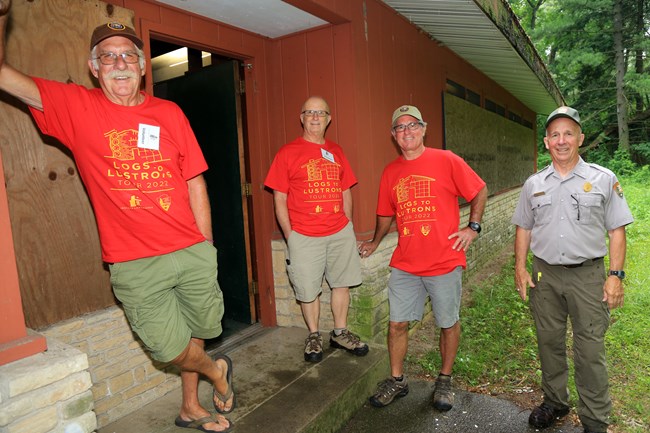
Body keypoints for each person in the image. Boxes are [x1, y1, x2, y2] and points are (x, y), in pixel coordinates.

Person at [0, 4, 234, 432]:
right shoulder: (74, 106)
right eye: (108, 56)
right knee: (169, 347)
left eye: (128, 55)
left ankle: (190, 407)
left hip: (192, 248)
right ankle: (217, 373)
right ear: (93, 68)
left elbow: (194, 181)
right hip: (135, 261)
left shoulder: (170, 114)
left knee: (198, 330)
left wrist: (206, 244)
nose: (119, 63)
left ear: (143, 68)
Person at [512, 106, 633, 433]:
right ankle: (555, 402)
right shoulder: (533, 184)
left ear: (580, 138)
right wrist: (520, 269)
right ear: (547, 141)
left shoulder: (603, 179)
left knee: (589, 349)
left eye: (568, 133)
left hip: (588, 277)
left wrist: (615, 276)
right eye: (555, 134)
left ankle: (595, 420)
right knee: (548, 341)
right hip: (545, 276)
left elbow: (617, 230)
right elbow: (523, 227)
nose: (562, 140)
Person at [359, 105, 487, 411]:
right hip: (406, 262)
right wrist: (376, 242)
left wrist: (473, 227)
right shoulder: (391, 172)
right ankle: (397, 380)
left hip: (444, 261)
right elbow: (385, 213)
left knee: (447, 322)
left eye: (412, 125)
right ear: (393, 136)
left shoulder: (446, 160)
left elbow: (479, 190)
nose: (407, 132)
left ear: (424, 128)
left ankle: (444, 379)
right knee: (396, 325)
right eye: (400, 128)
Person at [264, 96, 369, 363]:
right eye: (309, 112)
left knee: (341, 283)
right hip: (304, 234)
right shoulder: (287, 153)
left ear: (328, 119)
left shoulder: (337, 151)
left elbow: (346, 189)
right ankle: (313, 334)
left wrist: (348, 224)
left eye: (320, 113)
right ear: (301, 118)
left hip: (339, 232)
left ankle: (340, 332)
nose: (315, 117)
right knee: (308, 289)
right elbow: (279, 197)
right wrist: (291, 235)